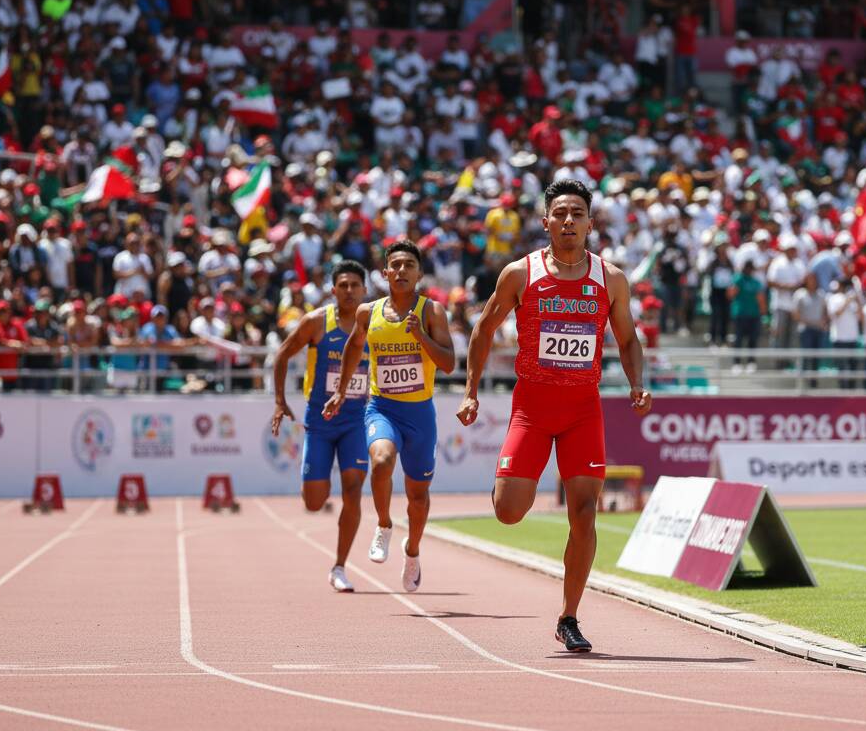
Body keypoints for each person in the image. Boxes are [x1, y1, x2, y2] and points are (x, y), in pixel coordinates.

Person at [456, 179, 653, 653]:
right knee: (508, 513)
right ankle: (506, 481)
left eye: (577, 213)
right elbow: (483, 330)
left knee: (585, 513)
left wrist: (636, 382)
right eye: (560, 213)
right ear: (545, 222)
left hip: (584, 411)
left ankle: (569, 616)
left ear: (590, 222)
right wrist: (471, 392)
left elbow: (627, 339)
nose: (568, 221)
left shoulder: (611, 279)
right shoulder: (519, 274)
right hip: (532, 409)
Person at [324, 241, 455, 593]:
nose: (400, 270)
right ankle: (383, 524)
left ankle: (412, 551)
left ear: (419, 273)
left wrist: (421, 335)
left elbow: (448, 363)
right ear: (384, 274)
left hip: (420, 415)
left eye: (408, 265)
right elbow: (353, 346)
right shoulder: (369, 313)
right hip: (381, 407)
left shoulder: (433, 312)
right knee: (381, 462)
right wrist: (340, 392)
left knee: (418, 496)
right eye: (394, 265)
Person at [272, 261, 372, 593]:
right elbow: (283, 356)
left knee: (354, 491)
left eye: (354, 285)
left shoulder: (377, 324)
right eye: (342, 285)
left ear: (364, 290)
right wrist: (279, 400)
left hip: (357, 421)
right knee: (314, 501)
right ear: (333, 290)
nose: (348, 291)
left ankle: (340, 566)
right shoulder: (316, 322)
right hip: (320, 422)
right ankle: (319, 481)